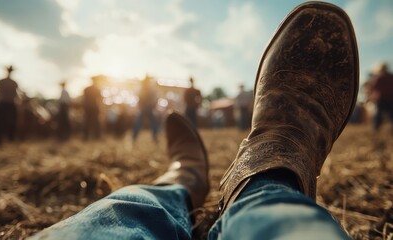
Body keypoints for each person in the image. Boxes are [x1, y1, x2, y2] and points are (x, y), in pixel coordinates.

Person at [30, 2, 357, 239]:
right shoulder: (139, 88)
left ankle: (180, 184)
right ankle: (265, 182)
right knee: (275, 209)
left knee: (117, 215)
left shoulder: (181, 89)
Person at [0, 65, 19, 145]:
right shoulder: (14, 82)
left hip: (3, 103)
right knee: (13, 120)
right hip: (11, 103)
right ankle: (10, 137)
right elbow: (16, 94)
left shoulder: (1, 81)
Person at [132, 75, 159, 143]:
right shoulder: (149, 88)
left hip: (145, 108)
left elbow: (139, 97)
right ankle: (155, 137)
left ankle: (134, 137)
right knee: (153, 123)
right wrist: (153, 105)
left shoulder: (143, 87)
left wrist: (140, 105)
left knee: (139, 122)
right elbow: (154, 97)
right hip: (148, 108)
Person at [367, 63, 393, 133]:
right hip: (390, 99)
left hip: (381, 99)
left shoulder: (378, 77)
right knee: (391, 114)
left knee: (378, 114)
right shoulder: (391, 76)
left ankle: (375, 128)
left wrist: (372, 96)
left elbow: (373, 87)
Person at [83, 75, 103, 140]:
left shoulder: (86, 89)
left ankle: (86, 136)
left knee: (87, 121)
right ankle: (96, 136)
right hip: (94, 107)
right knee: (96, 121)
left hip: (87, 107)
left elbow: (84, 99)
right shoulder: (97, 89)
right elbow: (100, 99)